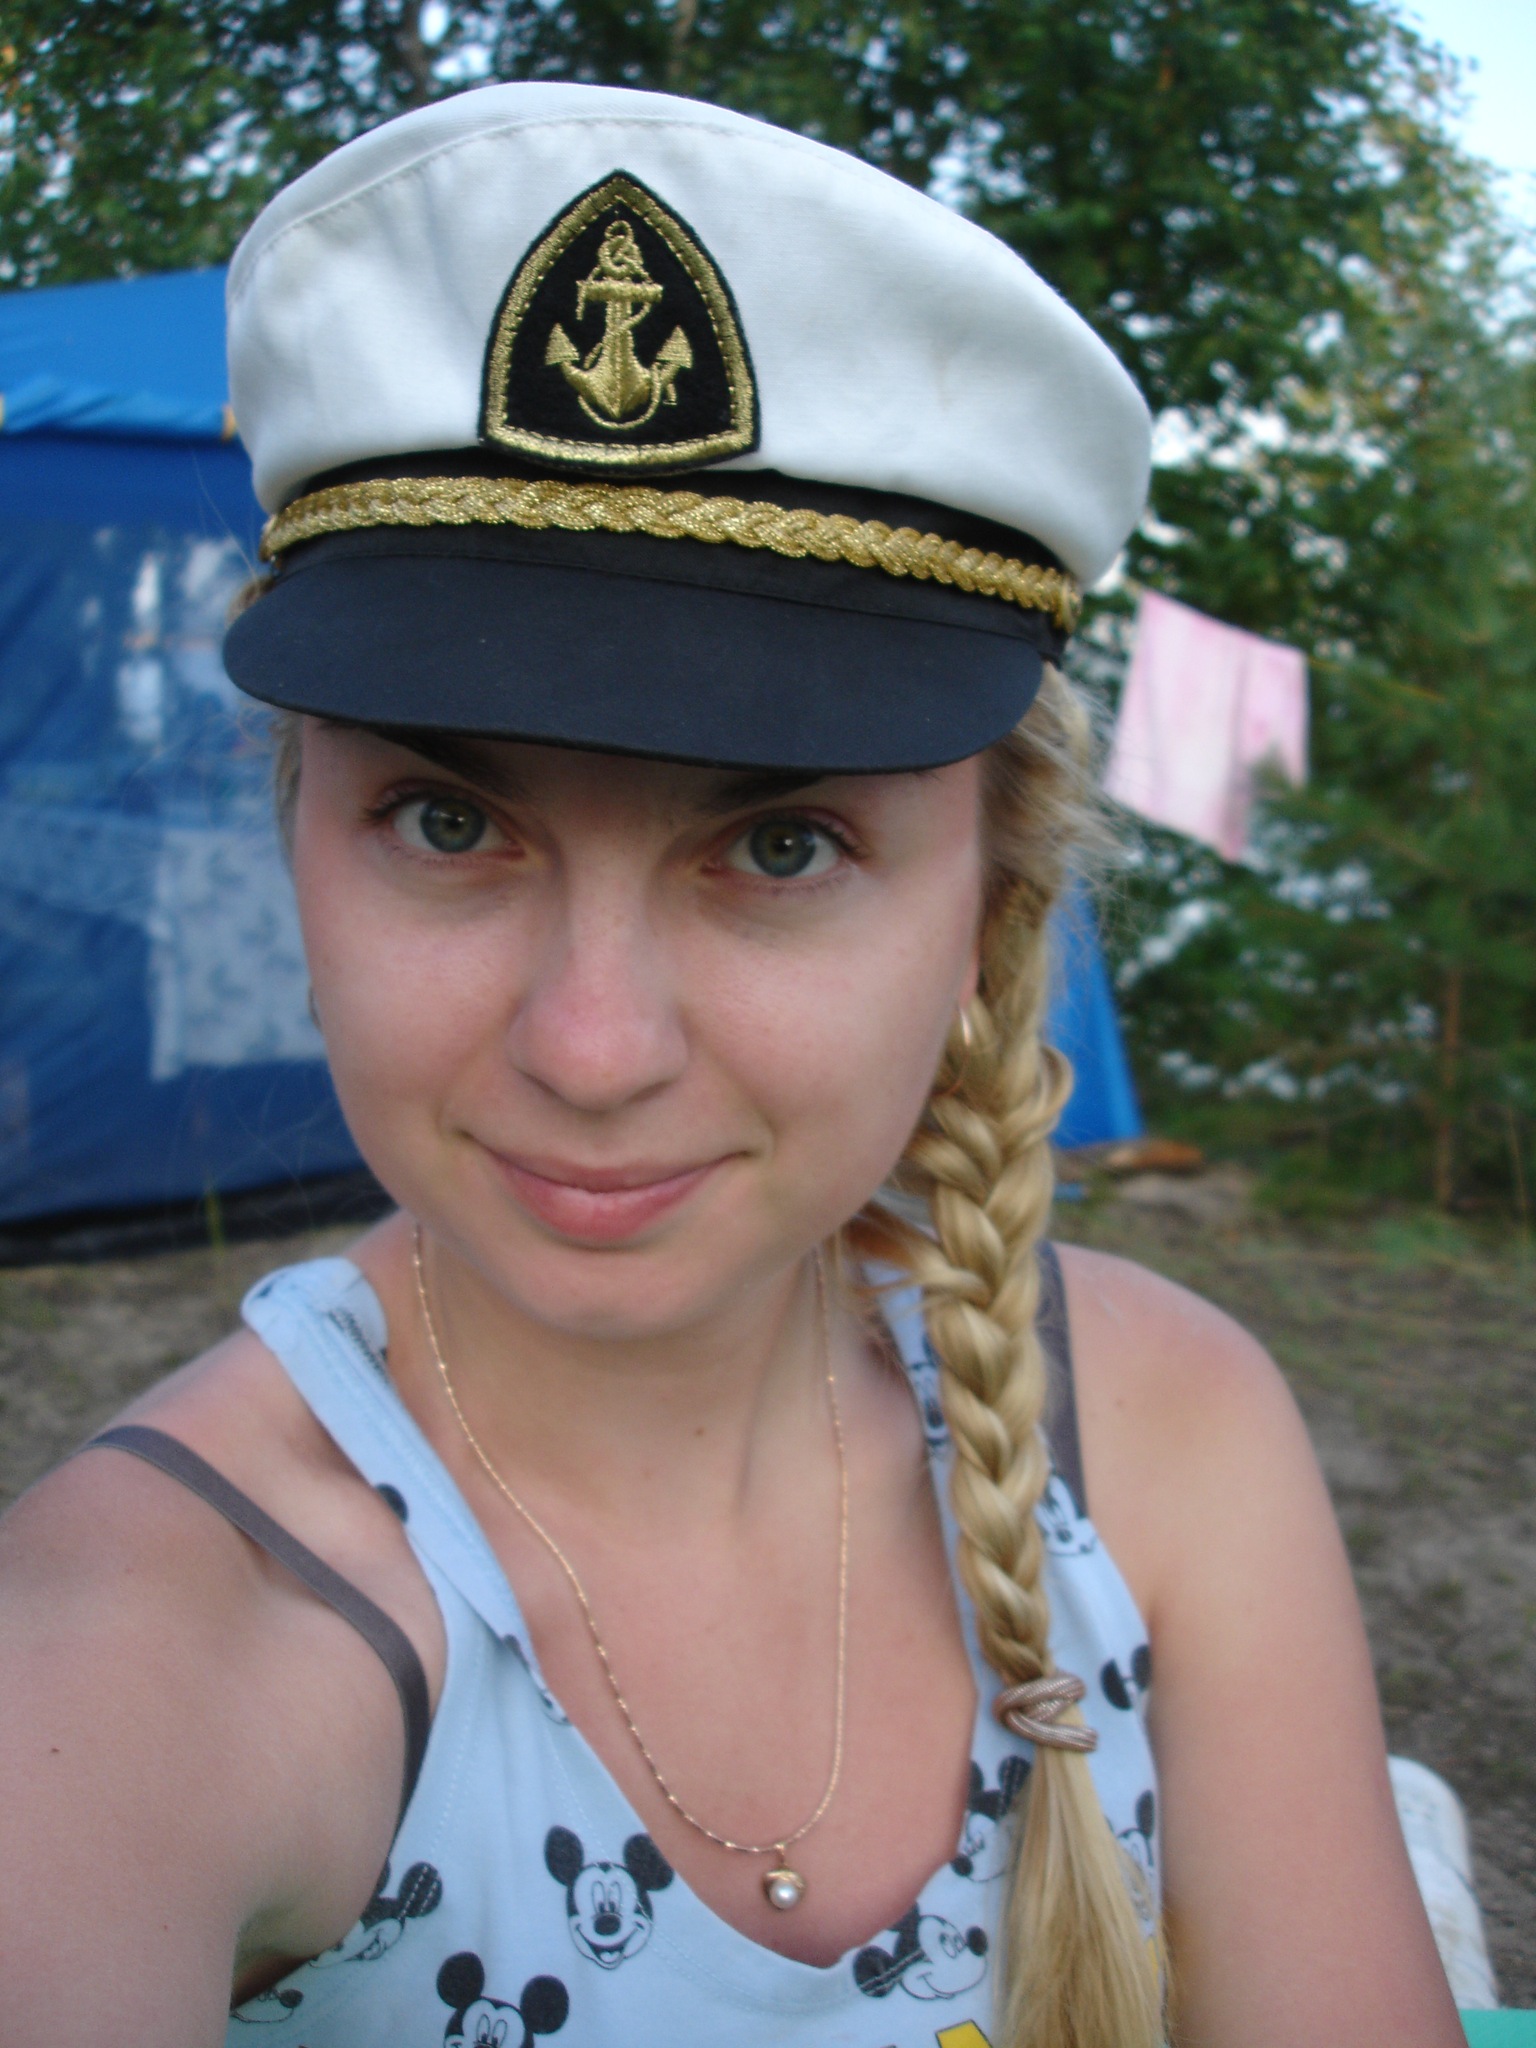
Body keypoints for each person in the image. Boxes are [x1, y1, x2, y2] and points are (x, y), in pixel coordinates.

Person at [0, 82, 1463, 2048]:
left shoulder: (1167, 1436)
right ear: (296, 841)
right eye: (448, 821)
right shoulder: (129, 1665)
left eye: (780, 846)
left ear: (994, 912)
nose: (593, 1048)